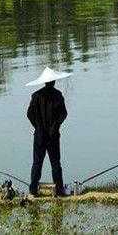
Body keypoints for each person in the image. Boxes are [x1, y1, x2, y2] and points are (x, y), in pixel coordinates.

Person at [26, 67, 72, 197]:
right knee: (56, 163)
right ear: (53, 82)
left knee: (37, 163)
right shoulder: (58, 95)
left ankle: (33, 190)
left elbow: (29, 114)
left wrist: (38, 127)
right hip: (53, 136)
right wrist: (55, 126)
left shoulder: (36, 96)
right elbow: (63, 114)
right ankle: (59, 190)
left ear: (44, 82)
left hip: (39, 136)